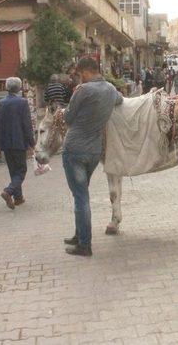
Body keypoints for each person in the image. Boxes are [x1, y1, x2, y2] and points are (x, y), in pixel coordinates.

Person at [59, 57, 123, 257]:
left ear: (85, 72)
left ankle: (84, 245)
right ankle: (79, 236)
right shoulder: (111, 90)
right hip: (94, 151)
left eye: (79, 75)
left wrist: (67, 110)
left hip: (74, 149)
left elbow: (68, 118)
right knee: (81, 193)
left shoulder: (83, 90)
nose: (79, 79)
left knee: (80, 197)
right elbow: (121, 101)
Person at [0, 77, 36, 210]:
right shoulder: (22, 102)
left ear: (7, 87)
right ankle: (8, 191)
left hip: (6, 143)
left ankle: (18, 198)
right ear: (19, 88)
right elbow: (26, 124)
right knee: (21, 170)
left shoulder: (0, 103)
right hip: (19, 142)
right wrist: (31, 142)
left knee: (13, 171)